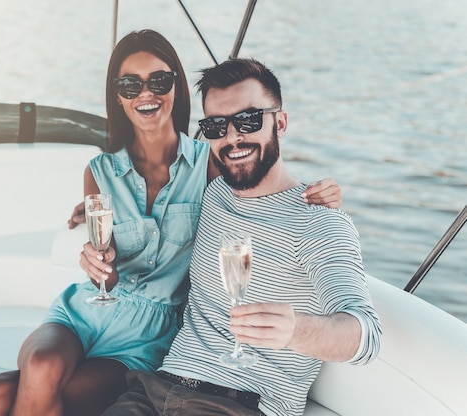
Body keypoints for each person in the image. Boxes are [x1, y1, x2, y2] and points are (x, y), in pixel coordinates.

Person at [0, 30, 342, 416]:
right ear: (118, 96)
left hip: (148, 336)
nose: (145, 94)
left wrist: (317, 193)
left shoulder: (211, 163)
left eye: (159, 81)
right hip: (85, 312)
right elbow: (107, 275)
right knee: (38, 366)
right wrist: (99, 265)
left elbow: (256, 181)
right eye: (130, 84)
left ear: (176, 89)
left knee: (0, 396)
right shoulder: (99, 171)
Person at [101, 58, 383, 416]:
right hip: (155, 390)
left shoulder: (319, 224)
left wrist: (295, 330)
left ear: (280, 122)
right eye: (216, 126)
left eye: (248, 121)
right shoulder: (213, 192)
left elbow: (367, 336)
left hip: (239, 404)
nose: (232, 137)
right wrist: (91, 217)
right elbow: (147, 192)